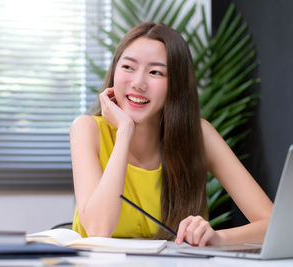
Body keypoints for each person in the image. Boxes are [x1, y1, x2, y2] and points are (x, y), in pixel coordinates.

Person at [69, 22, 273, 246]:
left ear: (176, 84)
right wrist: (125, 132)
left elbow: (274, 225)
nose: (138, 83)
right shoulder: (87, 129)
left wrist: (217, 237)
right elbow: (99, 230)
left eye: (156, 72)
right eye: (128, 67)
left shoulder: (199, 135)